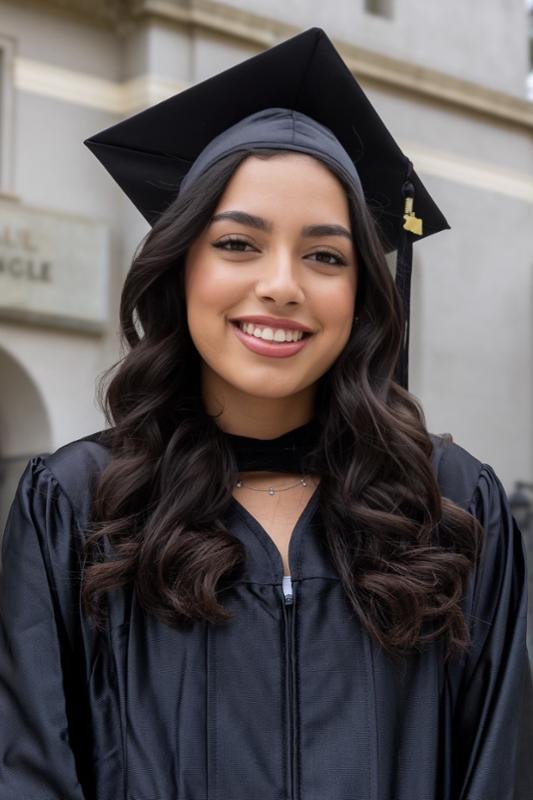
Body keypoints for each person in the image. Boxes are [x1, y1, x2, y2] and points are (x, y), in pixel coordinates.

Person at [1, 27, 532, 800]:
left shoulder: (449, 508)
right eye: (238, 243)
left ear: (363, 294)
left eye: (325, 255)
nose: (282, 285)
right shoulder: (81, 509)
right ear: (182, 266)